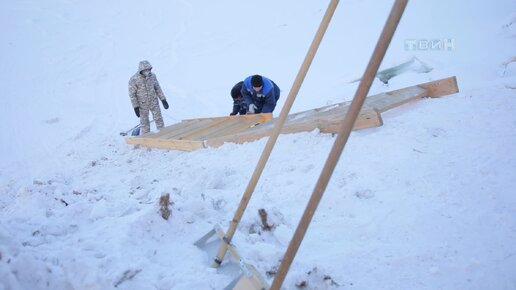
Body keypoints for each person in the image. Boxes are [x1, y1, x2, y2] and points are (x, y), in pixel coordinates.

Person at [128, 60, 169, 135]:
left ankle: (163, 135)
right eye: (146, 70)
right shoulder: (134, 79)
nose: (148, 71)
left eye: (149, 69)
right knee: (145, 123)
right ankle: (146, 137)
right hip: (142, 105)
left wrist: (163, 100)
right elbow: (132, 94)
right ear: (141, 70)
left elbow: (157, 88)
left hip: (154, 102)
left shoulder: (153, 76)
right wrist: (135, 107)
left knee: (159, 119)